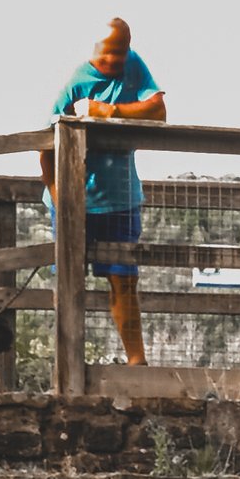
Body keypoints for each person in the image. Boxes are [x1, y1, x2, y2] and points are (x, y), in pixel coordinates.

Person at [42, 19, 164, 371]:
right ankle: (69, 365)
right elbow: (44, 146)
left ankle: (136, 361)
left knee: (124, 281)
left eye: (121, 51)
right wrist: (59, 195)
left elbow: (158, 112)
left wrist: (109, 111)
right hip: (76, 200)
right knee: (70, 281)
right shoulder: (75, 85)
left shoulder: (133, 65)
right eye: (108, 52)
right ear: (93, 49)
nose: (115, 59)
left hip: (122, 198)